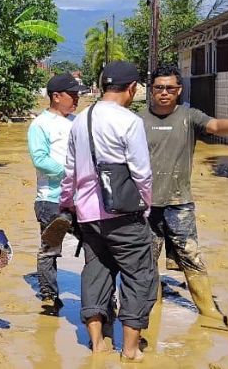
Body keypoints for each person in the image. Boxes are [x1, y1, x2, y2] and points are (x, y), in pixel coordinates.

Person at [141, 65, 228, 319]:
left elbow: (215, 126)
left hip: (179, 202)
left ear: (179, 90)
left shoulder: (189, 116)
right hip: (144, 204)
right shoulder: (137, 120)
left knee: (191, 256)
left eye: (170, 88)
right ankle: (152, 308)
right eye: (159, 87)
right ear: (151, 90)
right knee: (145, 259)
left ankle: (208, 311)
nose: (164, 92)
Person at [60, 61, 157, 363]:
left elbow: (69, 172)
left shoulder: (81, 120)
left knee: (96, 272)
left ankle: (98, 344)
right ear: (132, 88)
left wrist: (67, 204)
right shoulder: (130, 121)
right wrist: (146, 205)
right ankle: (130, 349)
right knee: (140, 275)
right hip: (123, 214)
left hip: (88, 215)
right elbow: (142, 173)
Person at [27, 73, 88, 311]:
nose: (76, 99)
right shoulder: (40, 125)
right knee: (49, 250)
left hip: (81, 199)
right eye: (72, 95)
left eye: (77, 94)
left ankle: (98, 295)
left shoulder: (78, 121)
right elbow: (40, 160)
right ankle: (49, 297)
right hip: (51, 200)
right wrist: (70, 175)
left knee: (94, 245)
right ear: (56, 97)